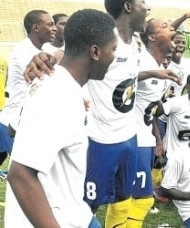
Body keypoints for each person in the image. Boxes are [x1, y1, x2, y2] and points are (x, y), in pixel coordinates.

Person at [4, 9, 117, 228]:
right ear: (95, 52)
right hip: (56, 220)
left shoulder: (57, 82)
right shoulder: (58, 95)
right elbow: (20, 175)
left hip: (74, 212)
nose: (113, 57)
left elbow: (13, 129)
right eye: (112, 50)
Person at [129, 17, 178, 226]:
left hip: (145, 138)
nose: (173, 28)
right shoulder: (141, 61)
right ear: (152, 37)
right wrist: (151, 73)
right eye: (166, 26)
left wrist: (157, 139)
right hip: (132, 138)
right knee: (141, 198)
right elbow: (119, 81)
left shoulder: (160, 66)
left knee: (131, 197)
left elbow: (151, 111)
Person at [0, 10, 56, 157]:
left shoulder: (41, 50)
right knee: (25, 172)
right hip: (14, 121)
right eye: (50, 24)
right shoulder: (24, 50)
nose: (54, 28)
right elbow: (38, 77)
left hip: (21, 119)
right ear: (36, 27)